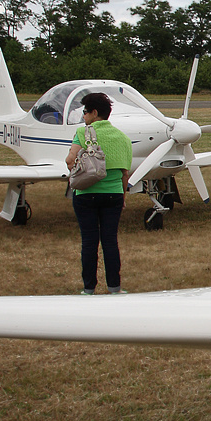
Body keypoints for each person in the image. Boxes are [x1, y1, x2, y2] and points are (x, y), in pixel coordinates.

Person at [66, 92, 133, 294]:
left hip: (85, 194)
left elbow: (70, 161)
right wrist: (122, 196)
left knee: (89, 241)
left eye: (85, 112)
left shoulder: (82, 133)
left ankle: (88, 289)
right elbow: (124, 173)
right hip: (113, 194)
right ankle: (115, 287)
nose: (84, 116)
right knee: (110, 241)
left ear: (94, 113)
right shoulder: (123, 137)